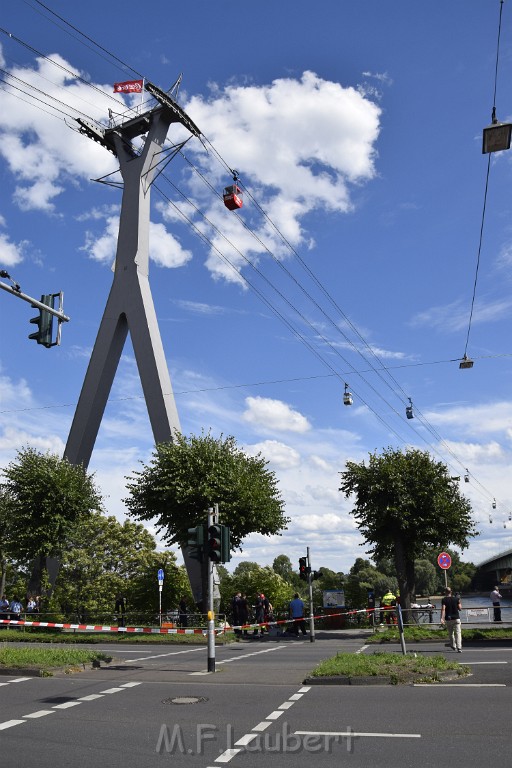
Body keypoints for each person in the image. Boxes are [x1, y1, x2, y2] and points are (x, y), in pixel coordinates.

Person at [440, 587, 462, 652]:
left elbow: (443, 609)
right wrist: (459, 601)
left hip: (448, 618)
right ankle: (459, 647)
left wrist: (442, 618)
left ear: (445, 592)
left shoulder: (444, 599)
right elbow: (460, 608)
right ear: (451, 592)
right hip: (456, 618)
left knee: (451, 633)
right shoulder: (456, 599)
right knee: (458, 633)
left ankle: (453, 645)